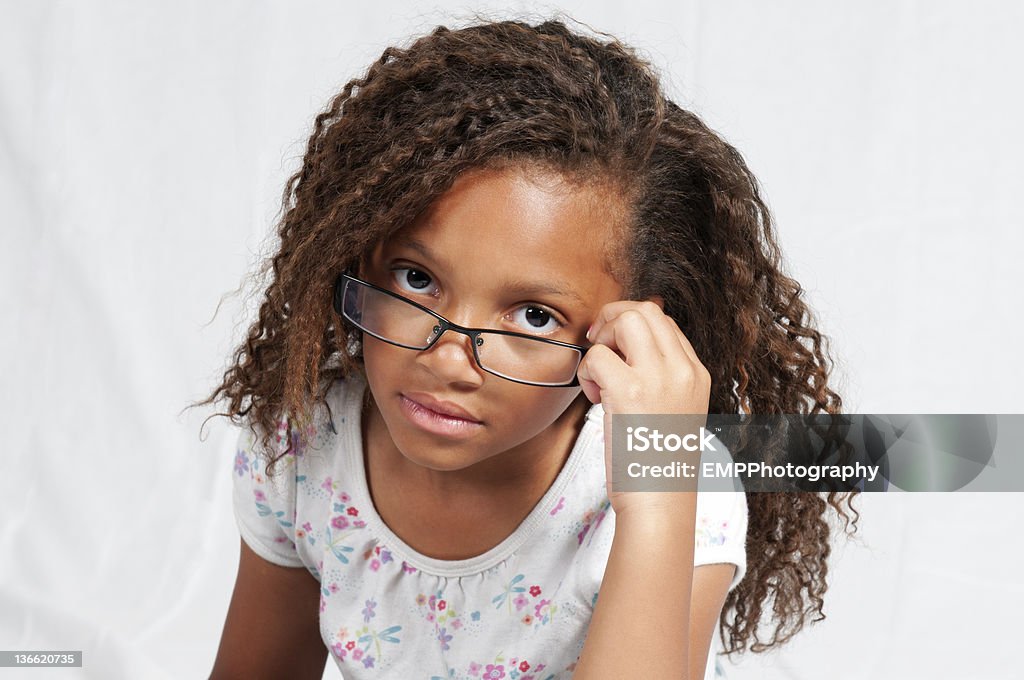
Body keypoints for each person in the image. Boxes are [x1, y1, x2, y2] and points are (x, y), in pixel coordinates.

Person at [199, 17, 858, 680]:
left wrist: (656, 496)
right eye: (417, 279)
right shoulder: (306, 442)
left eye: (536, 316)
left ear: (625, 337)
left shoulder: (669, 484)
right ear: (360, 256)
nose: (449, 358)